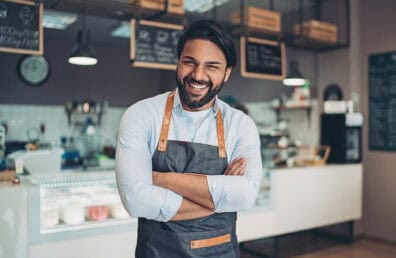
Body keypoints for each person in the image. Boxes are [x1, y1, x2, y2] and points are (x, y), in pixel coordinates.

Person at [116, 19, 263, 258]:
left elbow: (245, 196)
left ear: (226, 74)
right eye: (189, 62)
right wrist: (219, 198)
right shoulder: (141, 115)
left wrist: (160, 179)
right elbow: (136, 201)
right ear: (178, 63)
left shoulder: (240, 124)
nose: (198, 75)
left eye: (212, 66)